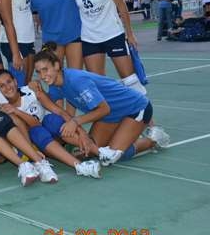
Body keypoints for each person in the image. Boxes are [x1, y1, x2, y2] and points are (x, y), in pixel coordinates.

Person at [33, 49, 170, 167]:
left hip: (135, 108)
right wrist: (39, 92)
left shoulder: (77, 80)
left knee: (111, 156)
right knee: (92, 151)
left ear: (57, 65)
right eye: (38, 72)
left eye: (45, 69)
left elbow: (104, 109)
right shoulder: (55, 84)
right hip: (110, 116)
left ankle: (153, 140)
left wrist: (75, 122)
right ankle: (127, 134)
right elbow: (57, 109)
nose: (42, 76)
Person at [0, 69, 102, 179]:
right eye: (1, 86)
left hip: (56, 131)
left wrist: (81, 132)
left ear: (15, 81)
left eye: (9, 82)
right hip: (39, 144)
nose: (8, 87)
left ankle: (101, 152)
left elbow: (59, 111)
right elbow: (35, 126)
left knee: (51, 119)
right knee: (37, 131)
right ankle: (79, 166)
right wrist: (15, 112)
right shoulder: (1, 109)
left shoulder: (31, 91)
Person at [64, 0, 144, 93]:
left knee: (130, 81)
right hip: (90, 39)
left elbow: (122, 6)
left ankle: (143, 107)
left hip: (113, 34)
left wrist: (130, 34)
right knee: (99, 85)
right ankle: (109, 108)